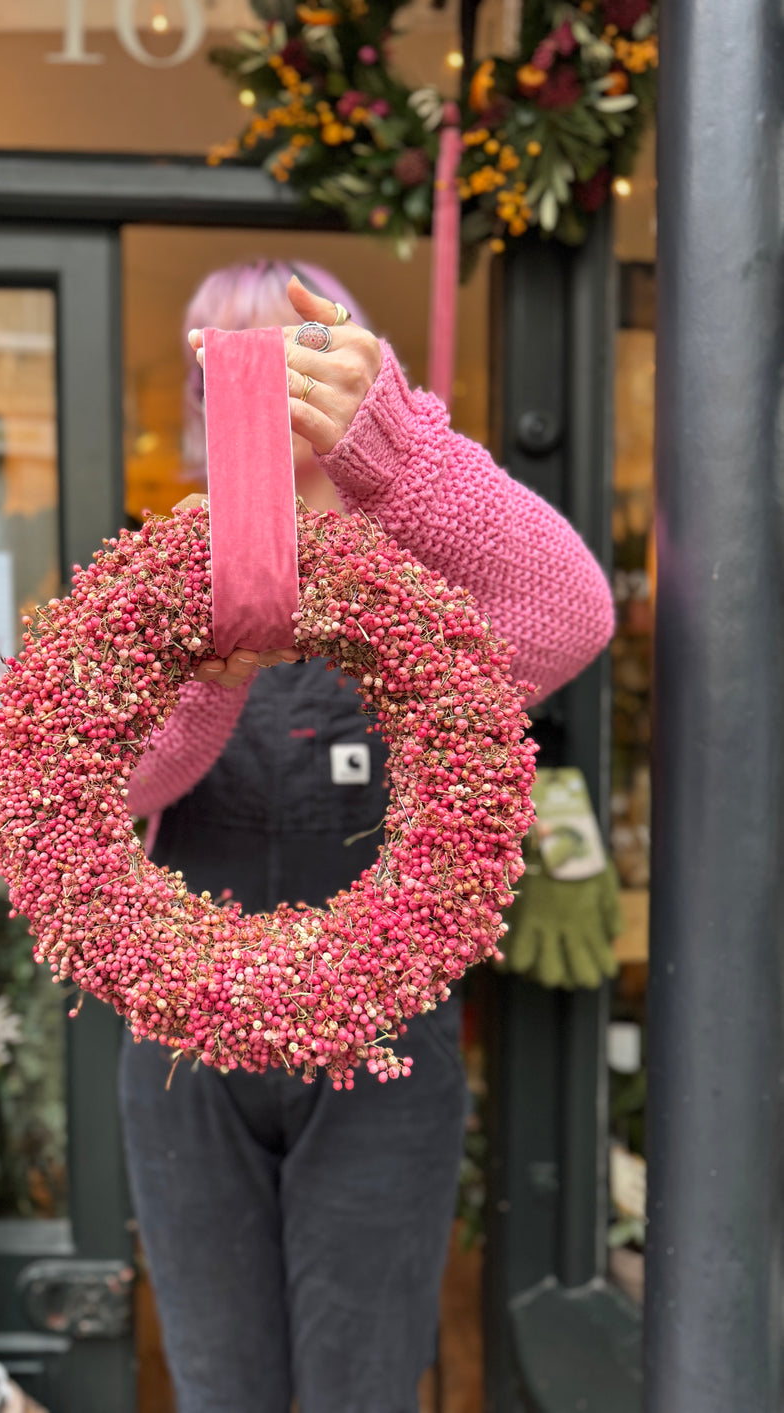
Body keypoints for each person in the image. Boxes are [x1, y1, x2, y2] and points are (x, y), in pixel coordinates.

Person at [121, 259, 614, 1413]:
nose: (245, 397)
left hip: (382, 1056)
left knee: (366, 1387)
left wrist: (394, 446)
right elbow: (134, 774)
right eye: (216, 372)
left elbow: (571, 616)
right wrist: (212, 661)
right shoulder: (150, 573)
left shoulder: (424, 584)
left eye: (289, 369)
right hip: (190, 1055)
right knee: (222, 1388)